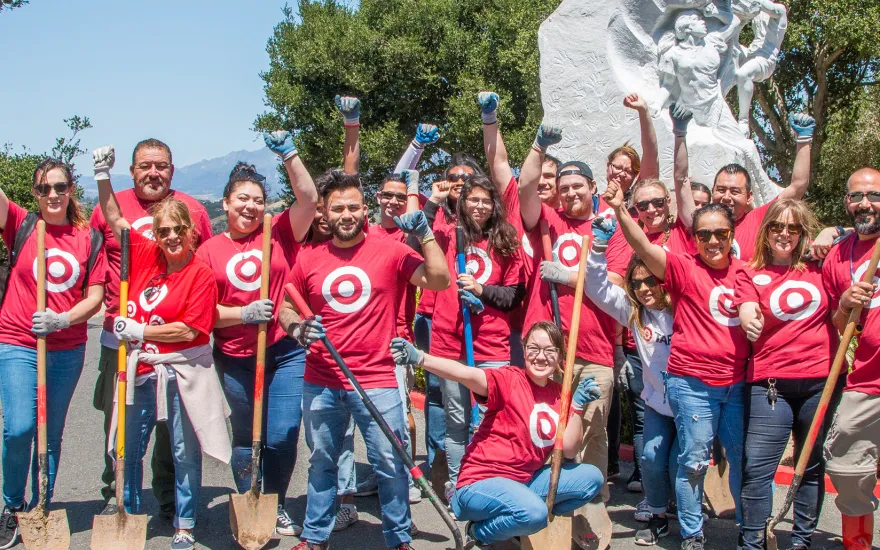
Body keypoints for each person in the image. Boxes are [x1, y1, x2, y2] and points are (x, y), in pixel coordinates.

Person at [280, 170, 449, 550]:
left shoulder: (391, 251)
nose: (346, 214)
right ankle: (315, 537)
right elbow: (286, 307)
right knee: (322, 462)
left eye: (353, 207)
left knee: (390, 462)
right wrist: (297, 328)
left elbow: (439, 280)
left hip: (377, 379)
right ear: (324, 213)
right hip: (322, 379)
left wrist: (425, 234)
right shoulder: (308, 258)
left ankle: (399, 538)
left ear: (365, 209)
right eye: (338, 208)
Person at [93, 146, 229, 550]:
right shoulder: (148, 257)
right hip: (140, 370)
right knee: (127, 447)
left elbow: (190, 329)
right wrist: (102, 175)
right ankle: (129, 514)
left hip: (180, 372)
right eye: (164, 230)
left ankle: (184, 522)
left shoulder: (200, 274)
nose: (171, 236)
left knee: (183, 450)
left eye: (178, 229)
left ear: (192, 232)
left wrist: (139, 329)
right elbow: (115, 218)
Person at [608, 176, 747, 550]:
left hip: (735, 385)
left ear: (733, 234)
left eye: (721, 233)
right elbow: (642, 247)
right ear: (694, 237)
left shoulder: (746, 271)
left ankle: (750, 532)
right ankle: (691, 534)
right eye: (704, 235)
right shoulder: (684, 268)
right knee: (691, 463)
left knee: (740, 460)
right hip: (692, 386)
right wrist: (620, 209)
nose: (712, 241)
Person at [196, 130, 318, 539]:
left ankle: (276, 502)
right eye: (242, 199)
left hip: (284, 351)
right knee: (248, 436)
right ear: (225, 203)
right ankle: (249, 499)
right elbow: (202, 313)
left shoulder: (278, 232)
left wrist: (290, 154)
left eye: (258, 200)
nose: (250, 206)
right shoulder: (208, 251)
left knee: (282, 435)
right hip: (234, 356)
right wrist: (243, 314)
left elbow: (309, 200)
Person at [389, 322, 604, 547]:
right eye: (534, 348)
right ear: (524, 350)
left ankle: (520, 518)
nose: (541, 357)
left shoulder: (559, 395)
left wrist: (577, 406)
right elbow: (465, 374)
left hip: (524, 481)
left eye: (550, 350)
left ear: (560, 355)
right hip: (480, 483)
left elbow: (569, 450)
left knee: (591, 479)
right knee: (534, 514)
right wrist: (421, 358)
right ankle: (479, 533)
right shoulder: (509, 379)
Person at [516, 123, 629, 547]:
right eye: (563, 188)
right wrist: (539, 146)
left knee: (593, 436)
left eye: (578, 186)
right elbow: (525, 188)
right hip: (551, 352)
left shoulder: (610, 228)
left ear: (593, 187)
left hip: (594, 352)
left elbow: (615, 283)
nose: (570, 193)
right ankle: (547, 507)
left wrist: (568, 275)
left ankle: (590, 508)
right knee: (547, 431)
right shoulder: (549, 221)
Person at [541, 235, 676, 546]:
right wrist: (597, 252)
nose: (644, 288)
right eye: (637, 283)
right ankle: (557, 495)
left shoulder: (676, 305)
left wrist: (574, 270)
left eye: (651, 281)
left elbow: (608, 282)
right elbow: (602, 287)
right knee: (556, 429)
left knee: (600, 435)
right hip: (652, 396)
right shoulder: (634, 310)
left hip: (682, 393)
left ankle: (683, 519)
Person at [0, 159, 107, 549]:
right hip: (17, 340)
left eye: (60, 187)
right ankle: (13, 505)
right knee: (19, 428)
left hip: (66, 347)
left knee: (50, 432)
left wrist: (62, 319)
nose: (53, 195)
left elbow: (95, 297)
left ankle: (41, 505)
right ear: (35, 193)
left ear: (70, 189)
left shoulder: (88, 238)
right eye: (44, 189)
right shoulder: (22, 224)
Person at [732, 199, 838, 550]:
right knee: (757, 467)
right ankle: (752, 542)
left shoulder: (822, 266)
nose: (784, 234)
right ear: (766, 231)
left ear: (803, 232)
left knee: (810, 464)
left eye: (793, 228)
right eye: (777, 226)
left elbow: (864, 235)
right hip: (770, 383)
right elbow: (747, 308)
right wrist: (750, 321)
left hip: (821, 381)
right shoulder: (749, 272)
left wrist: (833, 230)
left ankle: (801, 541)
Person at [416, 173, 525, 501]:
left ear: (495, 205)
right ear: (462, 202)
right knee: (457, 420)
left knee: (492, 419)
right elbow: (415, 240)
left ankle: (489, 482)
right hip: (450, 342)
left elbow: (514, 295)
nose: (479, 206)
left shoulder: (505, 240)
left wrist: (482, 291)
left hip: (491, 345)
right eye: (472, 199)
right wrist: (432, 201)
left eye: (485, 200)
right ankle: (459, 486)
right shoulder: (448, 235)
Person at [821, 167, 880, 550]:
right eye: (857, 196)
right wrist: (844, 304)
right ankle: (857, 545)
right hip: (867, 380)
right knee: (846, 465)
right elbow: (839, 326)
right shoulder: (837, 258)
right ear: (846, 202)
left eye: (874, 195)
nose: (865, 204)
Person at [708, 114, 815, 261]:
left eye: (735, 191)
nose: (726, 197)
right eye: (721, 190)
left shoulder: (759, 219)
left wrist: (803, 139)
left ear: (749, 197)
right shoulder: (700, 224)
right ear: (712, 191)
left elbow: (798, 186)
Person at [734, 0, 788, 136]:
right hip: (750, 52)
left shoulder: (779, 10)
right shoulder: (755, 10)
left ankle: (743, 120)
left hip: (765, 58)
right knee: (724, 48)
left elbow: (763, 5)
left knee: (743, 74)